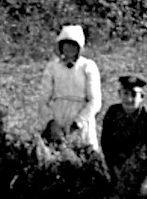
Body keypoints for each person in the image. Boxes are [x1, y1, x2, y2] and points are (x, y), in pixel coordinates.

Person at [40, 24, 101, 152]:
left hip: (81, 119)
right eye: (66, 45)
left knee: (83, 156)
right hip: (58, 118)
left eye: (73, 45)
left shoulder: (88, 67)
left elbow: (95, 101)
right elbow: (43, 99)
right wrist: (51, 122)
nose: (69, 49)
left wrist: (78, 123)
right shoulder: (52, 67)